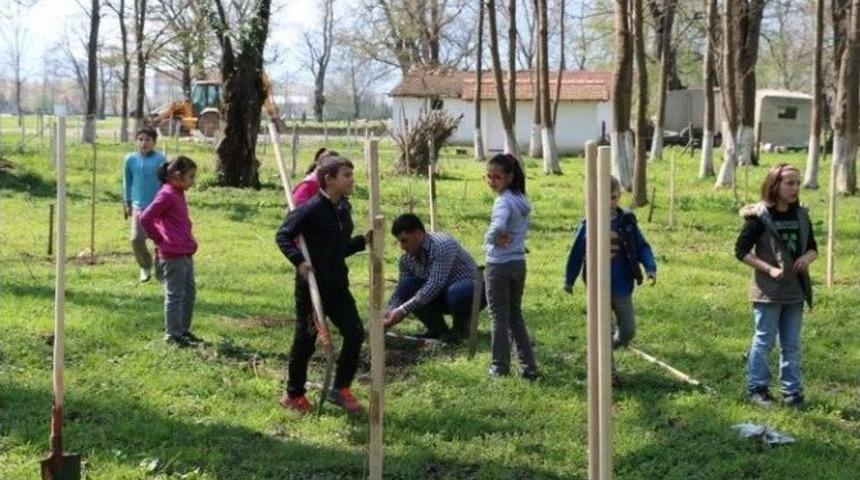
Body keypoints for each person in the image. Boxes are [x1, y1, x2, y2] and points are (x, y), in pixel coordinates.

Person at [275, 155, 369, 413]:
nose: (351, 180)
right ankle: (294, 395)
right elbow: (283, 236)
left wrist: (362, 241)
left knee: (354, 332)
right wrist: (299, 261)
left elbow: (338, 249)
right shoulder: (310, 209)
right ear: (329, 179)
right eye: (346, 175)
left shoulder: (343, 209)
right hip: (312, 285)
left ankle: (340, 388)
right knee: (306, 340)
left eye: (351, 175)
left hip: (337, 284)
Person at [735, 163, 816, 408]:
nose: (795, 188)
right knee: (764, 340)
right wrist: (769, 269)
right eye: (789, 183)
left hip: (795, 291)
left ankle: (792, 392)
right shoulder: (759, 217)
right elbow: (741, 251)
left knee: (791, 344)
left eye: (798, 183)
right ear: (774, 185)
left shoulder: (801, 215)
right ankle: (757, 389)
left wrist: (806, 258)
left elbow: (813, 248)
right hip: (767, 292)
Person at [564, 175, 657, 387]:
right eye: (604, 198)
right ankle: (609, 373)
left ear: (619, 196)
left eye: (613, 197)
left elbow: (642, 247)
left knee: (628, 330)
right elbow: (576, 252)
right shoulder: (590, 224)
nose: (609, 202)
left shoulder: (627, 222)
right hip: (597, 288)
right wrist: (569, 279)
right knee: (603, 331)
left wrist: (650, 267)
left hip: (622, 286)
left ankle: (612, 346)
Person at [383, 214, 483, 343]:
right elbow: (401, 291)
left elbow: (435, 284)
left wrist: (402, 310)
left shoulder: (442, 245)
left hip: (472, 293)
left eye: (404, 240)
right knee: (407, 285)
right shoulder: (406, 261)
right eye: (399, 242)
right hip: (443, 296)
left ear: (418, 234)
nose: (402, 246)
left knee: (456, 292)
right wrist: (390, 311)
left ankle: (462, 329)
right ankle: (438, 330)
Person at [483, 153, 538, 379]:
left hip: (499, 265)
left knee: (498, 317)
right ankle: (528, 366)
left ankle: (499, 366)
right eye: (488, 176)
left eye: (497, 177)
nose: (491, 181)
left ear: (509, 177)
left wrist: (489, 240)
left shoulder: (503, 201)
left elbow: (498, 227)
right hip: (518, 263)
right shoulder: (520, 198)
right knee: (515, 315)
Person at [139, 156, 200, 347]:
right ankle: (173, 335)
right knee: (175, 295)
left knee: (189, 293)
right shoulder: (166, 194)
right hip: (172, 254)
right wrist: (159, 239)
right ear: (176, 175)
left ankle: (183, 331)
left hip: (185, 251)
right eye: (190, 176)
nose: (193, 181)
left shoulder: (177, 191)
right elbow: (145, 218)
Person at [122, 126, 166, 282]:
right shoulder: (130, 159)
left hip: (158, 207)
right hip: (138, 206)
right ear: (136, 141)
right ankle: (145, 266)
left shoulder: (161, 159)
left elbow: (165, 183)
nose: (144, 143)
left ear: (154, 142)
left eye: (148, 140)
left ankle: (161, 270)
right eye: (140, 139)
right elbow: (127, 182)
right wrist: (126, 202)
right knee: (136, 239)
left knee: (160, 240)